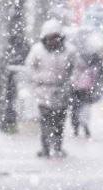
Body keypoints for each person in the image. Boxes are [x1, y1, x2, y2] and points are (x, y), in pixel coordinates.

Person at [25, 19, 75, 158]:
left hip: (61, 91)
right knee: (45, 121)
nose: (52, 41)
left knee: (59, 121)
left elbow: (74, 68)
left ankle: (57, 146)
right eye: (50, 37)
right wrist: (37, 80)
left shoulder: (69, 51)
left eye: (55, 37)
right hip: (43, 91)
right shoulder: (37, 50)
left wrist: (69, 82)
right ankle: (46, 147)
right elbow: (30, 67)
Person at [69, 39, 103, 138]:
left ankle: (77, 126)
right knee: (83, 108)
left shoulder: (73, 54)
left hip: (78, 88)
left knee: (77, 108)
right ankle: (83, 125)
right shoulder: (91, 58)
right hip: (84, 88)